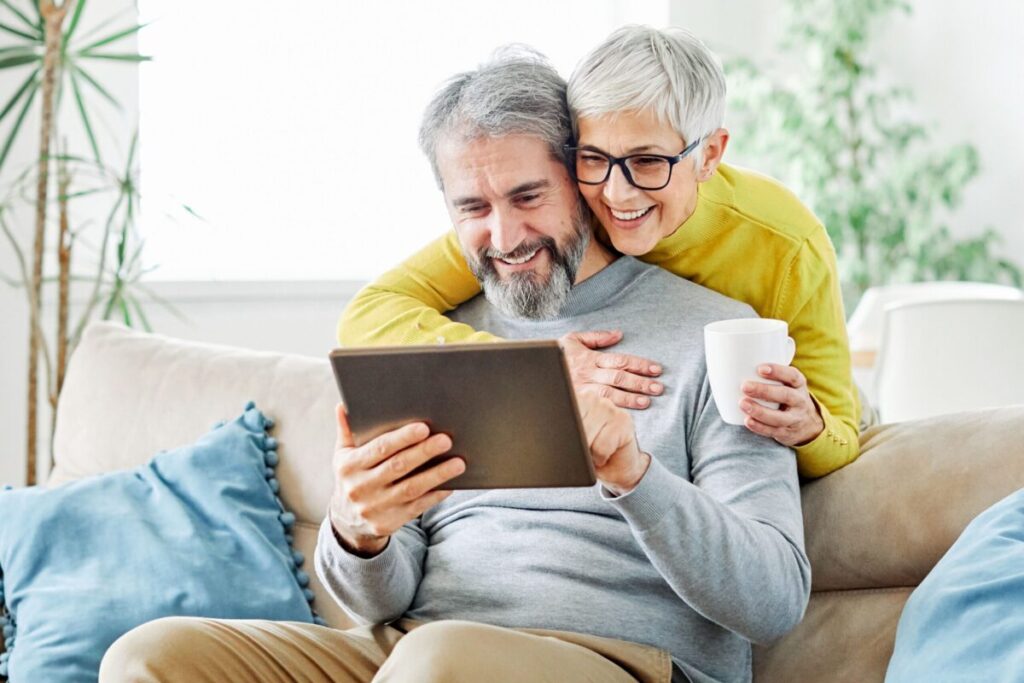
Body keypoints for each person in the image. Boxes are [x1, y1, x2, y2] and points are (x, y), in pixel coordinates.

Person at [99, 50, 809, 683]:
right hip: (411, 650)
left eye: (528, 197)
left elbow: (774, 599)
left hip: (616, 657)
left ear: (581, 177)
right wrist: (361, 530)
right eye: (473, 206)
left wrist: (633, 473)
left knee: (438, 662)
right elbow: (381, 599)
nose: (504, 236)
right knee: (147, 657)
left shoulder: (715, 334)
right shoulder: (441, 338)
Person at [337, 25, 862, 479]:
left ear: (710, 155)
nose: (617, 194)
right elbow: (370, 314)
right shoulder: (559, 212)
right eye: (594, 158)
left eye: (649, 161)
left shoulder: (787, 243)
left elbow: (843, 431)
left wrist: (808, 427)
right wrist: (532, 368)